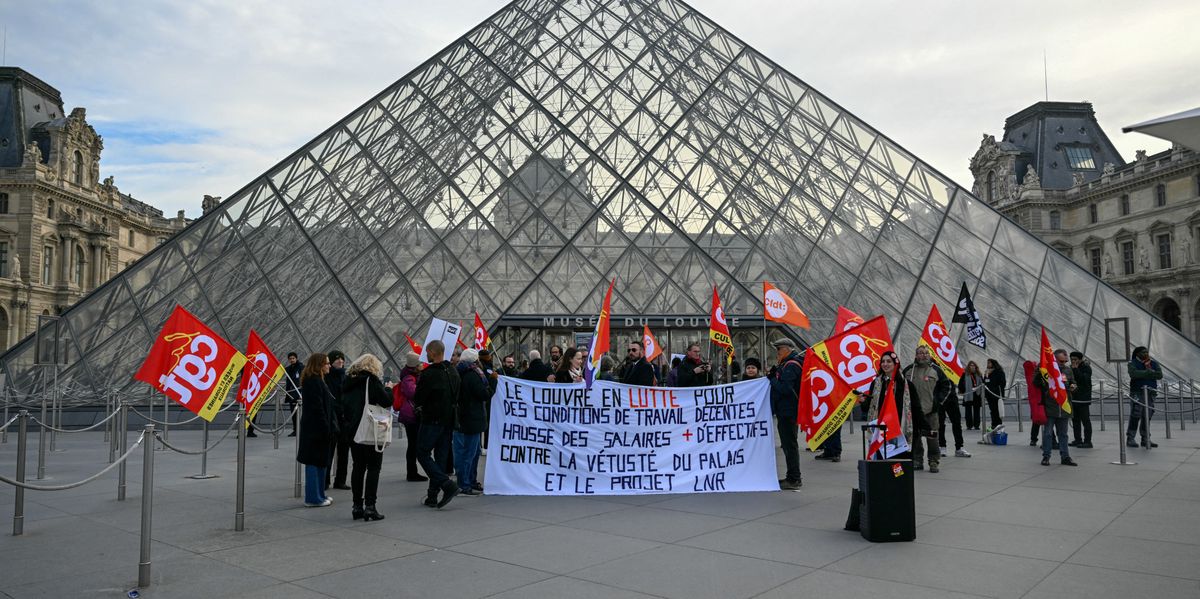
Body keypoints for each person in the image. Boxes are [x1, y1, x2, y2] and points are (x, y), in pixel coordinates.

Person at [341, 354, 391, 521]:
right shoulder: (372, 381)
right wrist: (388, 389)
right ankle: (370, 507)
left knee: (358, 466)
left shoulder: (347, 381)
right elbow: (386, 401)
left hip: (352, 430)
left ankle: (357, 506)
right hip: (370, 430)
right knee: (374, 467)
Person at [413, 340, 461, 508]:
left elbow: (418, 398)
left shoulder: (429, 374)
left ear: (433, 353)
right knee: (441, 456)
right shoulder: (453, 371)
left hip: (432, 419)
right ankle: (432, 495)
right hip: (449, 420)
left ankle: (446, 484)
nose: (426, 355)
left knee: (422, 453)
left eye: (427, 352)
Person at [859, 351, 918, 459]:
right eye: (883, 361)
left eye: (889, 361)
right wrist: (863, 401)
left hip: (899, 430)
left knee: (898, 464)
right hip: (881, 431)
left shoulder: (906, 385)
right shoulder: (876, 383)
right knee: (881, 463)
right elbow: (868, 408)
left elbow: (916, 408)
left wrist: (923, 428)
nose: (885, 364)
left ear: (895, 364)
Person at [297, 353, 336, 507]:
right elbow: (317, 408)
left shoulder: (316, 380)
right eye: (327, 363)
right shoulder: (313, 381)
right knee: (314, 462)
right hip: (316, 429)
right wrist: (325, 427)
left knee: (320, 461)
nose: (329, 365)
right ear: (319, 365)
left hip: (316, 427)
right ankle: (313, 498)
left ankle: (320, 495)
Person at [902, 346, 946, 472]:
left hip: (931, 411)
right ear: (916, 356)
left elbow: (946, 386)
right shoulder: (909, 370)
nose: (924, 355)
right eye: (921, 353)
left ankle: (933, 461)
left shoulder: (936, 370)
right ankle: (917, 460)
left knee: (932, 438)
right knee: (915, 438)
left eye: (926, 353)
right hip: (914, 412)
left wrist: (938, 402)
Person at [769, 338, 803, 490]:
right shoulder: (786, 364)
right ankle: (792, 476)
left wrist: (772, 379)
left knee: (790, 445)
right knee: (788, 445)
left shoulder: (791, 365)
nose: (777, 353)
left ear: (788, 349)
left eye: (779, 349)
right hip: (786, 410)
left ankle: (794, 478)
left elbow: (785, 389)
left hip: (789, 411)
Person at [454, 349, 489, 496]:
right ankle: (466, 484)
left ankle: (468, 481)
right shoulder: (473, 375)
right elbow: (484, 394)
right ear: (475, 360)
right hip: (473, 419)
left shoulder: (458, 373)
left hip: (463, 418)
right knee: (470, 454)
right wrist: (493, 383)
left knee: (468, 452)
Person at [1037, 350, 1077, 466]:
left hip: (1064, 407)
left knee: (1063, 434)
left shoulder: (1068, 370)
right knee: (1048, 433)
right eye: (1061, 361)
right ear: (1055, 360)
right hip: (1050, 406)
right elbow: (1036, 383)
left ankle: (1065, 457)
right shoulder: (1046, 370)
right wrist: (1040, 371)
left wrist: (1073, 386)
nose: (1063, 363)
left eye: (1065, 361)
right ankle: (1046, 456)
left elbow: (1073, 382)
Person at [393, 352, 426, 482]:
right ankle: (412, 473)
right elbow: (413, 393)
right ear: (415, 366)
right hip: (411, 415)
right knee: (413, 445)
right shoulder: (409, 378)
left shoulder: (411, 376)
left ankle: (412, 472)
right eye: (420, 363)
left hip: (410, 414)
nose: (422, 365)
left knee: (413, 444)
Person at [1127, 346, 1163, 449]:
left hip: (1150, 393)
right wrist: (1148, 372)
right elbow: (1134, 374)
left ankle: (1145, 438)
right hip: (1137, 392)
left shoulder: (1153, 363)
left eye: (1146, 352)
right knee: (1136, 414)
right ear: (1137, 353)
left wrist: (1145, 373)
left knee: (1148, 415)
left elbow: (1159, 375)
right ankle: (1130, 438)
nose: (1145, 354)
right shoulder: (1132, 363)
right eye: (1143, 352)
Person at [325, 350, 351, 491]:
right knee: (329, 451)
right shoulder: (326, 377)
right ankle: (325, 480)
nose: (340, 361)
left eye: (342, 359)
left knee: (344, 451)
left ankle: (340, 480)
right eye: (337, 359)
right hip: (332, 418)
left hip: (344, 418)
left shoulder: (346, 376)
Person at [1069, 351, 1094, 448]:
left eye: (1075, 359)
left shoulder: (1086, 368)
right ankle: (1077, 439)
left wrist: (1075, 369)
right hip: (1074, 397)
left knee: (1085, 420)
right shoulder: (1070, 368)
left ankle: (1088, 441)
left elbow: (1083, 380)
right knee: (1075, 420)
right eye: (1072, 359)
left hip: (1083, 398)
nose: (1073, 361)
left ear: (1080, 359)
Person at [959, 361, 984, 430]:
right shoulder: (965, 374)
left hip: (977, 394)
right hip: (968, 394)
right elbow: (961, 384)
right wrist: (963, 391)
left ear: (976, 367)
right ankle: (969, 425)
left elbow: (983, 383)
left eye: (974, 365)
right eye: (971, 365)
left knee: (977, 411)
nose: (972, 367)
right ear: (968, 367)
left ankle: (976, 425)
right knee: (968, 411)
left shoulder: (979, 374)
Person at [983, 359, 1006, 429]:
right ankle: (994, 424)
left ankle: (998, 424)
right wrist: (986, 376)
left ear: (993, 364)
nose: (988, 364)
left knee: (997, 410)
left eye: (989, 363)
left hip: (996, 394)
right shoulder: (987, 372)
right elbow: (985, 383)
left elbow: (1002, 383)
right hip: (989, 394)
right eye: (987, 363)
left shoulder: (999, 372)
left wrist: (995, 388)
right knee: (992, 410)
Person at [284, 352, 303, 437]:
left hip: (299, 393)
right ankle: (295, 429)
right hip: (291, 393)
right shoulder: (288, 369)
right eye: (290, 359)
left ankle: (300, 429)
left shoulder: (301, 367)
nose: (292, 360)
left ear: (296, 358)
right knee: (293, 413)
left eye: (293, 358)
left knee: (300, 413)